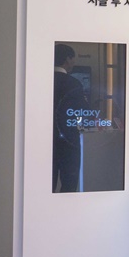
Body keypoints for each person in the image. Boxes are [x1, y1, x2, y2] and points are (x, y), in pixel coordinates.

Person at [53, 43, 87, 192]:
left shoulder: (41, 80)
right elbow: (83, 111)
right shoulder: (73, 83)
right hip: (68, 139)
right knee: (69, 185)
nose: (74, 62)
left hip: (43, 139)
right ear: (68, 59)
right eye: (73, 58)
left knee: (44, 182)